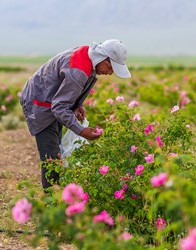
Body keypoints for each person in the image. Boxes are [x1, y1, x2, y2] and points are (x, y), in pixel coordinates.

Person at [20, 39, 131, 190]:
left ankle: (57, 195)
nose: (110, 72)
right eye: (110, 67)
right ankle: (51, 203)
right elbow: (59, 106)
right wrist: (81, 130)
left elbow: (65, 91)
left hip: (49, 101)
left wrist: (77, 104)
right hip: (39, 103)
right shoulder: (79, 69)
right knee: (51, 158)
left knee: (56, 151)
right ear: (103, 58)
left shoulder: (89, 57)